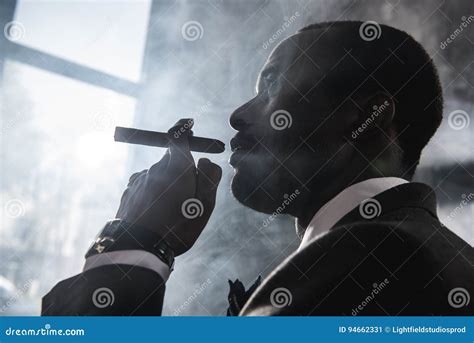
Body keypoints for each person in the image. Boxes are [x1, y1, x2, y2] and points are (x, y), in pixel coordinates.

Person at [42, 21, 473, 316]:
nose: (238, 115)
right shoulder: (422, 251)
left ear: (369, 116)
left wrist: (137, 240)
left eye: (270, 86)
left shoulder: (379, 256)